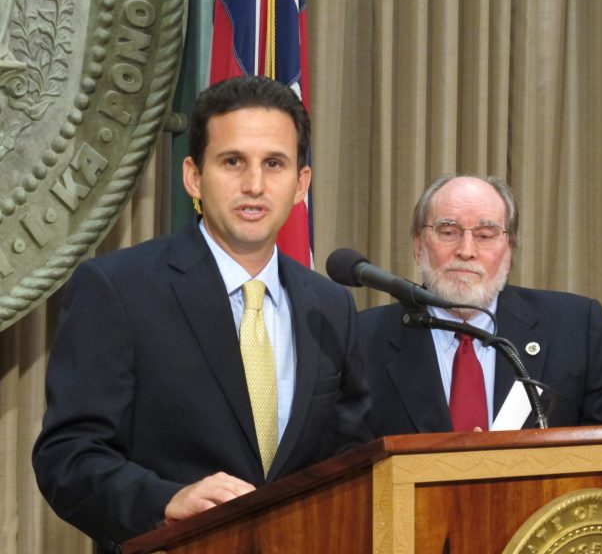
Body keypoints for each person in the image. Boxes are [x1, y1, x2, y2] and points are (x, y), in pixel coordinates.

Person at [32, 76, 371, 552]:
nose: (254, 185)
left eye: (274, 164)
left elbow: (349, 457)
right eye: (233, 162)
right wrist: (166, 500)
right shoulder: (119, 288)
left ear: (301, 184)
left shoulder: (330, 304)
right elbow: (67, 457)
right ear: (194, 176)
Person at [359, 174, 602, 437]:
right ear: (419, 245)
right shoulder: (362, 339)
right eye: (448, 231)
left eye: (485, 235)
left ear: (509, 251)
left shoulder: (576, 328)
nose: (466, 251)